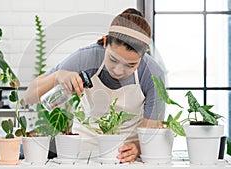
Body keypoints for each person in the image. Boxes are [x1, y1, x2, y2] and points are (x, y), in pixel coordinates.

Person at [24, 8, 165, 163]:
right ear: (105, 42)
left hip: (125, 156)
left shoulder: (152, 74)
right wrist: (58, 76)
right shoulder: (86, 58)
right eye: (113, 59)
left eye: (130, 65)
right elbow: (30, 96)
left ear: (143, 55)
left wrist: (137, 147)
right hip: (83, 153)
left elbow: (151, 133)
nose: (118, 71)